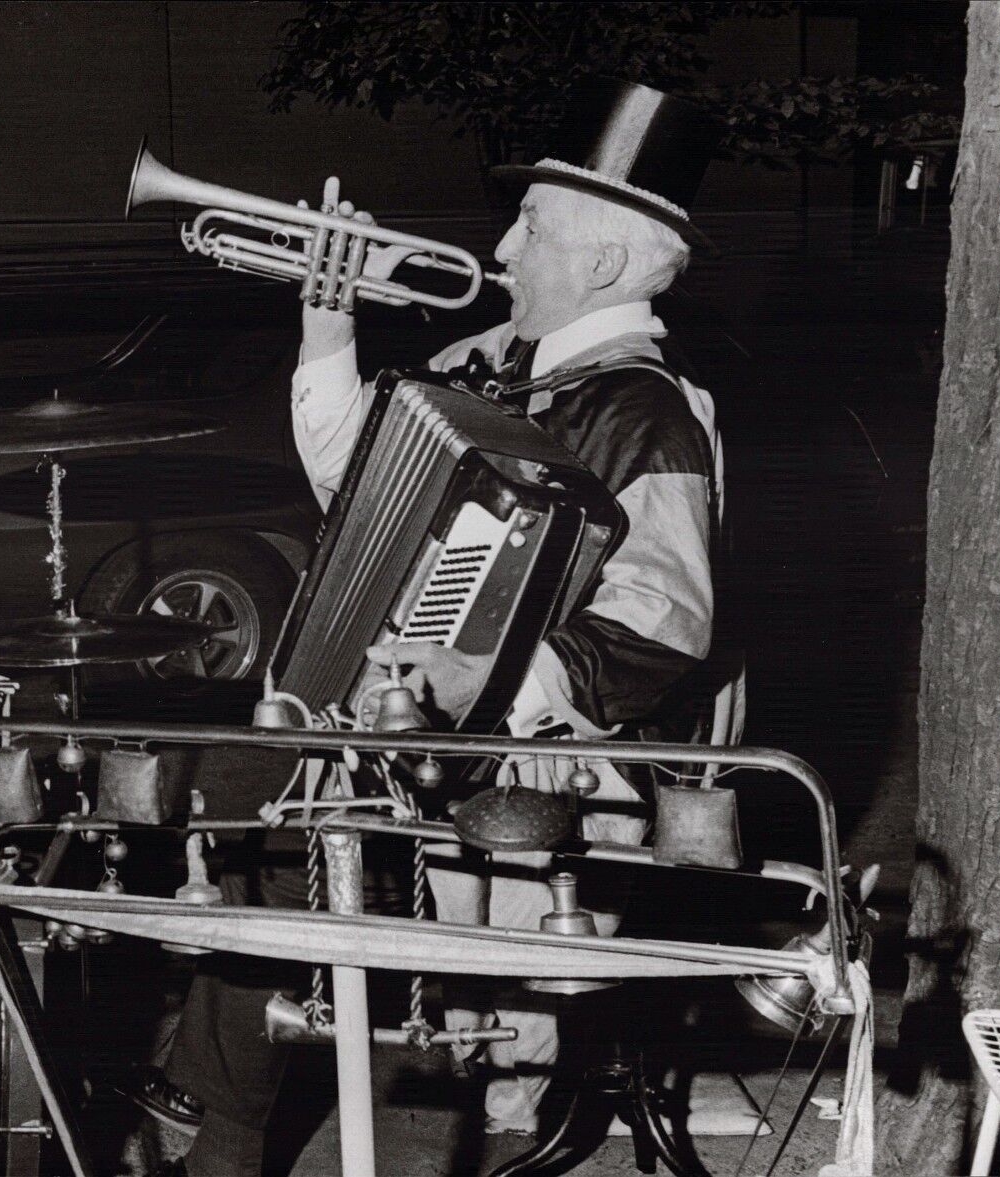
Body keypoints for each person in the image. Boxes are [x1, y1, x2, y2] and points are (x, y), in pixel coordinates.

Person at [144, 80, 729, 1176]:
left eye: (532, 230)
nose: (501, 248)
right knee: (235, 777)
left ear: (601, 266)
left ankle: (213, 1124)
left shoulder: (644, 411)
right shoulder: (488, 363)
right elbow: (353, 485)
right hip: (423, 733)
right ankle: (209, 1106)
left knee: (270, 831)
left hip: (541, 759)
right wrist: (327, 323)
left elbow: (665, 626)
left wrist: (489, 682)